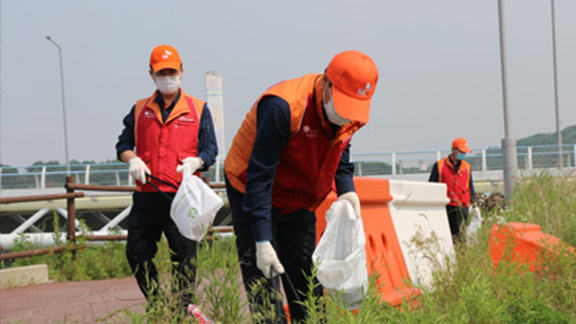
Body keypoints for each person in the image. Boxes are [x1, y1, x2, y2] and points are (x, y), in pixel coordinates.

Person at [224, 50, 379, 323]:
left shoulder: (350, 113)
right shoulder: (284, 106)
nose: (347, 117)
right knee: (264, 282)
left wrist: (346, 188)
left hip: (299, 196)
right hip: (252, 187)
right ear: (327, 84)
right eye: (344, 106)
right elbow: (259, 176)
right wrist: (261, 239)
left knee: (306, 280)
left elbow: (340, 150)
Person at [115, 44, 218, 313]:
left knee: (184, 258)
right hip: (147, 196)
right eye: (161, 73)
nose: (167, 77)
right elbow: (122, 145)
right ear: (151, 74)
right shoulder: (139, 110)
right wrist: (132, 159)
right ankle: (158, 304)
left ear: (182, 72)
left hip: (181, 198)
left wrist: (197, 161)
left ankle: (180, 311)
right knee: (136, 254)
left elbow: (211, 150)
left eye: (172, 71)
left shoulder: (198, 109)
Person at [429, 137, 477, 242]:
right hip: (445, 205)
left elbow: (470, 185)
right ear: (453, 150)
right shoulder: (439, 166)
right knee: (446, 235)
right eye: (461, 151)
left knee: (461, 235)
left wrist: (474, 201)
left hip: (462, 205)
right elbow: (431, 186)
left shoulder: (467, 167)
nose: (463, 154)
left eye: (465, 152)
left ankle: (461, 255)